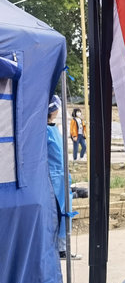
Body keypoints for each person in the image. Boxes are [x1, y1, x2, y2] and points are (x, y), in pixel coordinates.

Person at [46, 95, 79, 260]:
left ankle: (62, 247)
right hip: (53, 176)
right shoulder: (44, 131)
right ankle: (60, 249)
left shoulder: (54, 129)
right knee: (58, 213)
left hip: (62, 175)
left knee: (66, 210)